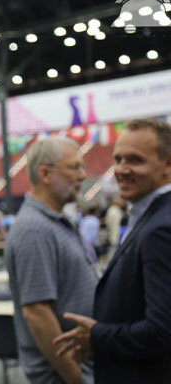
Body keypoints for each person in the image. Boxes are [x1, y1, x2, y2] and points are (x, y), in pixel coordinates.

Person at [54, 118, 171, 384]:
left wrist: (96, 335)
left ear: (167, 163)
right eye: (118, 159)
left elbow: (162, 331)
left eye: (135, 160)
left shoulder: (161, 228)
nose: (121, 169)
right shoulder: (152, 217)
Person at [4, 137, 99, 384]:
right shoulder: (34, 229)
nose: (82, 175)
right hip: (64, 376)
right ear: (45, 173)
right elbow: (37, 313)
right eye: (74, 167)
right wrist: (75, 377)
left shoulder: (54, 221)